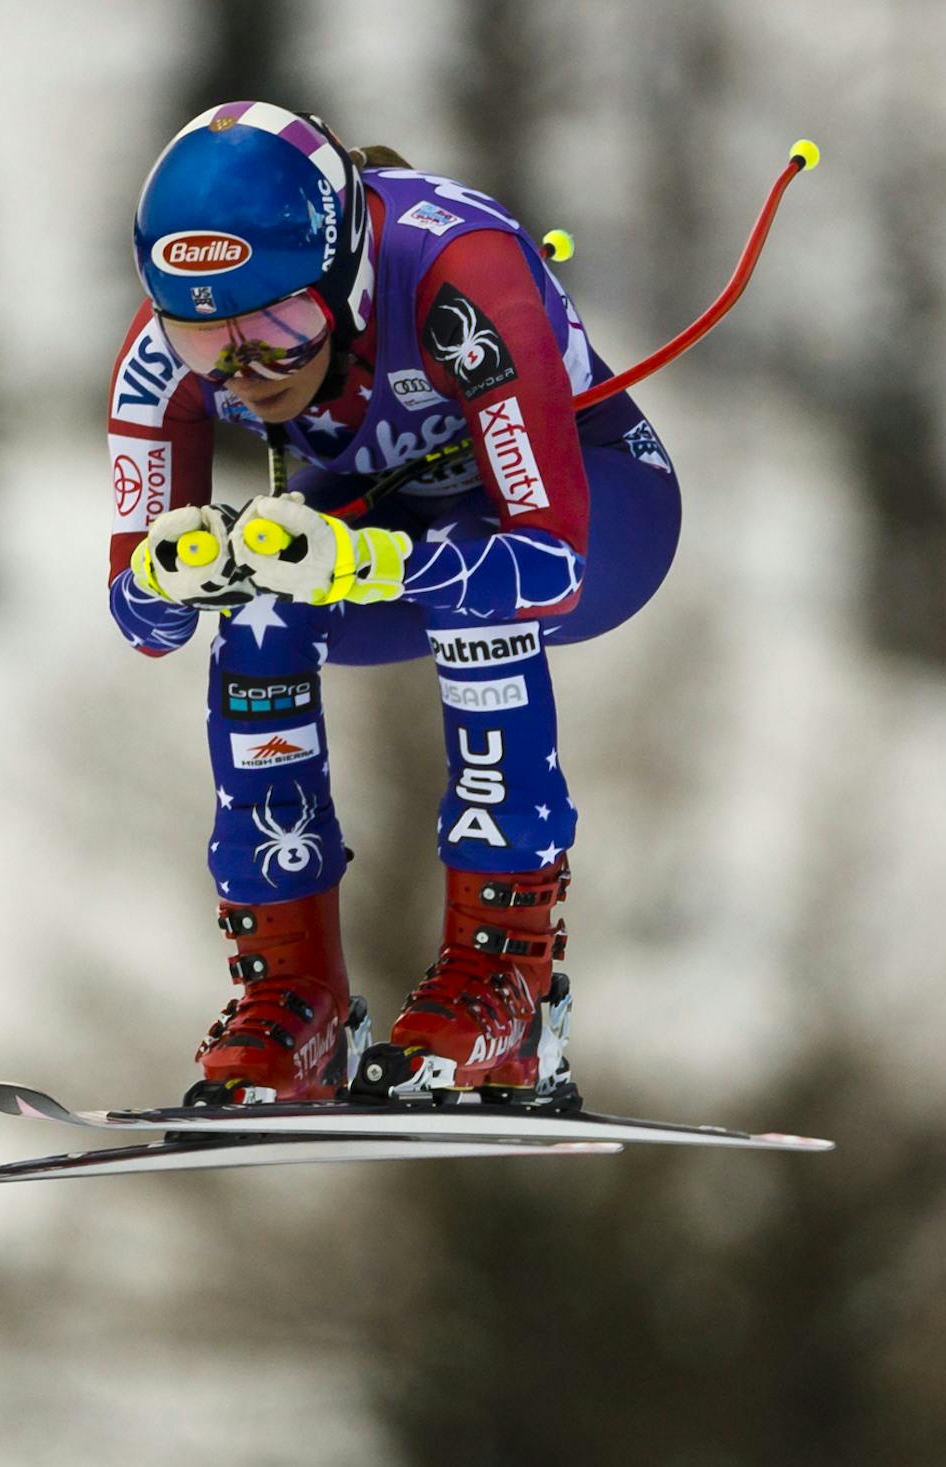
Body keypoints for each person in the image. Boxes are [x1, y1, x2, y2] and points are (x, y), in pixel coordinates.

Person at [106, 101, 682, 1107]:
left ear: (346, 280)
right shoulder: (161, 358)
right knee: (257, 620)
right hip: (383, 529)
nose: (247, 374)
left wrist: (368, 559)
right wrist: (172, 572)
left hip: (595, 511)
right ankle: (293, 1006)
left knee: (469, 578)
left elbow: (548, 562)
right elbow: (140, 624)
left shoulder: (462, 274)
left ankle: (511, 988)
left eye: (284, 330)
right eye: (206, 343)